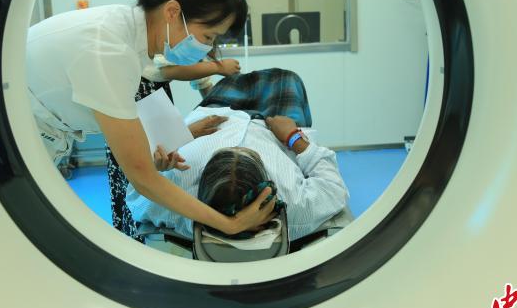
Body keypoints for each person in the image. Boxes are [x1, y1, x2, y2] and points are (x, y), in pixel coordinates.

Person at [26, 0, 275, 236]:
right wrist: (229, 224)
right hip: (10, 136)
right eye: (208, 36)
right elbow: (142, 177)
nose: (207, 48)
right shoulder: (110, 49)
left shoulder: (131, 39)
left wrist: (168, 144)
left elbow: (132, 133)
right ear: (172, 12)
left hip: (34, 139)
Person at [126, 70, 350, 242]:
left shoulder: (178, 203)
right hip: (273, 124)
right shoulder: (295, 207)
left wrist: (171, 149)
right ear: (267, 188)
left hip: (214, 113)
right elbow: (333, 187)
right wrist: (293, 137)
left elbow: (136, 194)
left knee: (231, 80)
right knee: (286, 77)